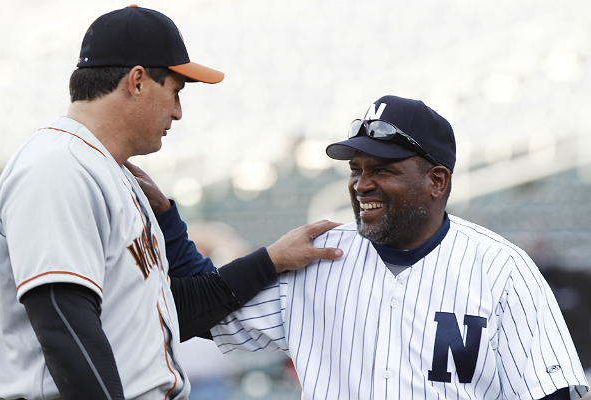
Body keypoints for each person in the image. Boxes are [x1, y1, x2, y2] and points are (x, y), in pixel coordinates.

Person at [0, 6, 342, 400]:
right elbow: (64, 327)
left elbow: (171, 311)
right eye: (175, 91)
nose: (178, 112)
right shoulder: (57, 167)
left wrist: (270, 260)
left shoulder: (111, 173)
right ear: (137, 81)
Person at [210, 95, 589, 399]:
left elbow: (548, 391)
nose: (361, 184)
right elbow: (194, 310)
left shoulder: (502, 267)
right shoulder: (315, 256)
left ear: (437, 181)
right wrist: (262, 259)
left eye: (383, 170)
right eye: (357, 169)